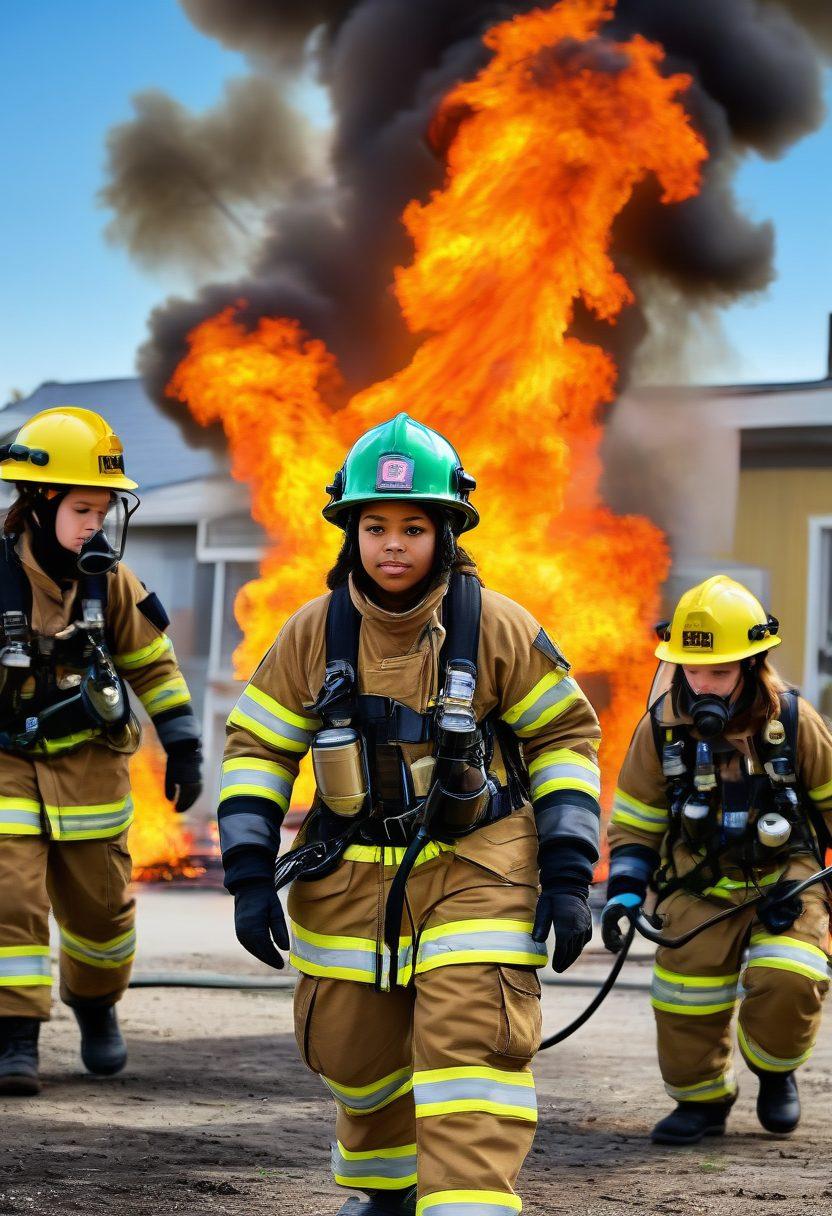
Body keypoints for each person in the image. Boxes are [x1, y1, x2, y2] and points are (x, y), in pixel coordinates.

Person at [220, 412, 602, 1216]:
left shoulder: (495, 627)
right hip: (350, 872)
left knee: (470, 1051)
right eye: (376, 525)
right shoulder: (310, 635)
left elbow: (565, 741)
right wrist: (249, 876)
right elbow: (257, 753)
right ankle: (385, 1189)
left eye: (415, 526)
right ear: (350, 532)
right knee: (352, 1052)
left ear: (448, 532)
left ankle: (466, 1203)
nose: (394, 544)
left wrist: (568, 876)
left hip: (480, 865)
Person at [0, 406, 202, 1094]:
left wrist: (183, 742)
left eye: (106, 508)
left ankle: (95, 1007)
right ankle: (14, 1037)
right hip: (4, 765)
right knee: (9, 895)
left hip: (89, 768)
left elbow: (154, 665)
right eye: (83, 508)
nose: (97, 523)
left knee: (100, 910)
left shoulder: (110, 583)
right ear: (38, 502)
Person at [602, 575, 832, 1145]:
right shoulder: (659, 729)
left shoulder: (795, 722)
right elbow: (637, 816)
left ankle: (775, 1071)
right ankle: (703, 1103)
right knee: (685, 996)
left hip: (785, 877)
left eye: (719, 672)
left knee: (791, 976)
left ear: (752, 665)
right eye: (691, 670)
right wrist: (626, 890)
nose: (701, 683)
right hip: (697, 881)